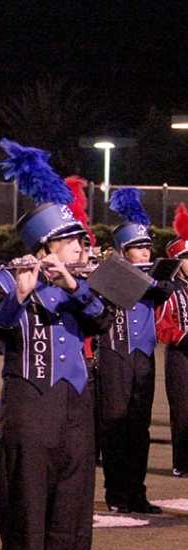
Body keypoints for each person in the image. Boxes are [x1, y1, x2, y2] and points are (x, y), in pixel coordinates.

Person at [0, 139, 111, 550]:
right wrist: (21, 292)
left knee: (71, 522)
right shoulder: (6, 282)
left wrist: (74, 286)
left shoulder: (87, 287)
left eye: (81, 241)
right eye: (72, 241)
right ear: (44, 247)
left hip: (77, 414)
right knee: (26, 520)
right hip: (29, 413)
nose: (82, 248)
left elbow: (103, 317)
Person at [93, 187, 172, 513]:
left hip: (143, 358)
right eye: (137, 248)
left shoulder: (155, 280)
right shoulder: (106, 274)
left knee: (139, 430)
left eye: (146, 247)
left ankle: (136, 493)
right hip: (114, 356)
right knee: (114, 425)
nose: (145, 253)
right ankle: (116, 494)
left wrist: (151, 279)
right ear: (123, 251)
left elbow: (164, 290)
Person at [156, 201, 188, 480]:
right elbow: (163, 326)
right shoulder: (170, 289)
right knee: (183, 410)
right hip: (181, 356)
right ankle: (182, 462)